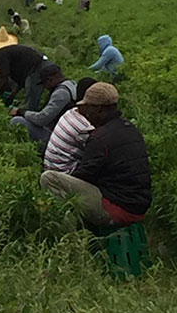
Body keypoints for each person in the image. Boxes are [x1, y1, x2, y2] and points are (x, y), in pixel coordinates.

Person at [41, 82, 152, 227]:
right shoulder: (131, 129)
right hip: (138, 206)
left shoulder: (99, 138)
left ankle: (71, 237)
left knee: (49, 178)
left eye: (88, 108)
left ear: (99, 109)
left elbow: (85, 176)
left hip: (116, 208)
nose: (86, 114)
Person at [10, 64, 76, 145]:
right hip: (64, 133)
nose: (45, 87)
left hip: (58, 138)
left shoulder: (61, 93)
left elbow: (42, 119)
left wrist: (22, 112)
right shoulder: (71, 84)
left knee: (16, 121)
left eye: (44, 84)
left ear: (49, 80)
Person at [0, 27, 49, 110]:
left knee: (30, 106)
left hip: (36, 70)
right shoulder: (10, 54)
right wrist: (13, 95)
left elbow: (4, 80)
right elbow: (21, 80)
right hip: (41, 67)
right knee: (33, 102)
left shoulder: (1, 55)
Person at [44, 78, 97, 173]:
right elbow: (96, 153)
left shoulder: (70, 112)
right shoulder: (84, 127)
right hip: (63, 174)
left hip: (52, 167)